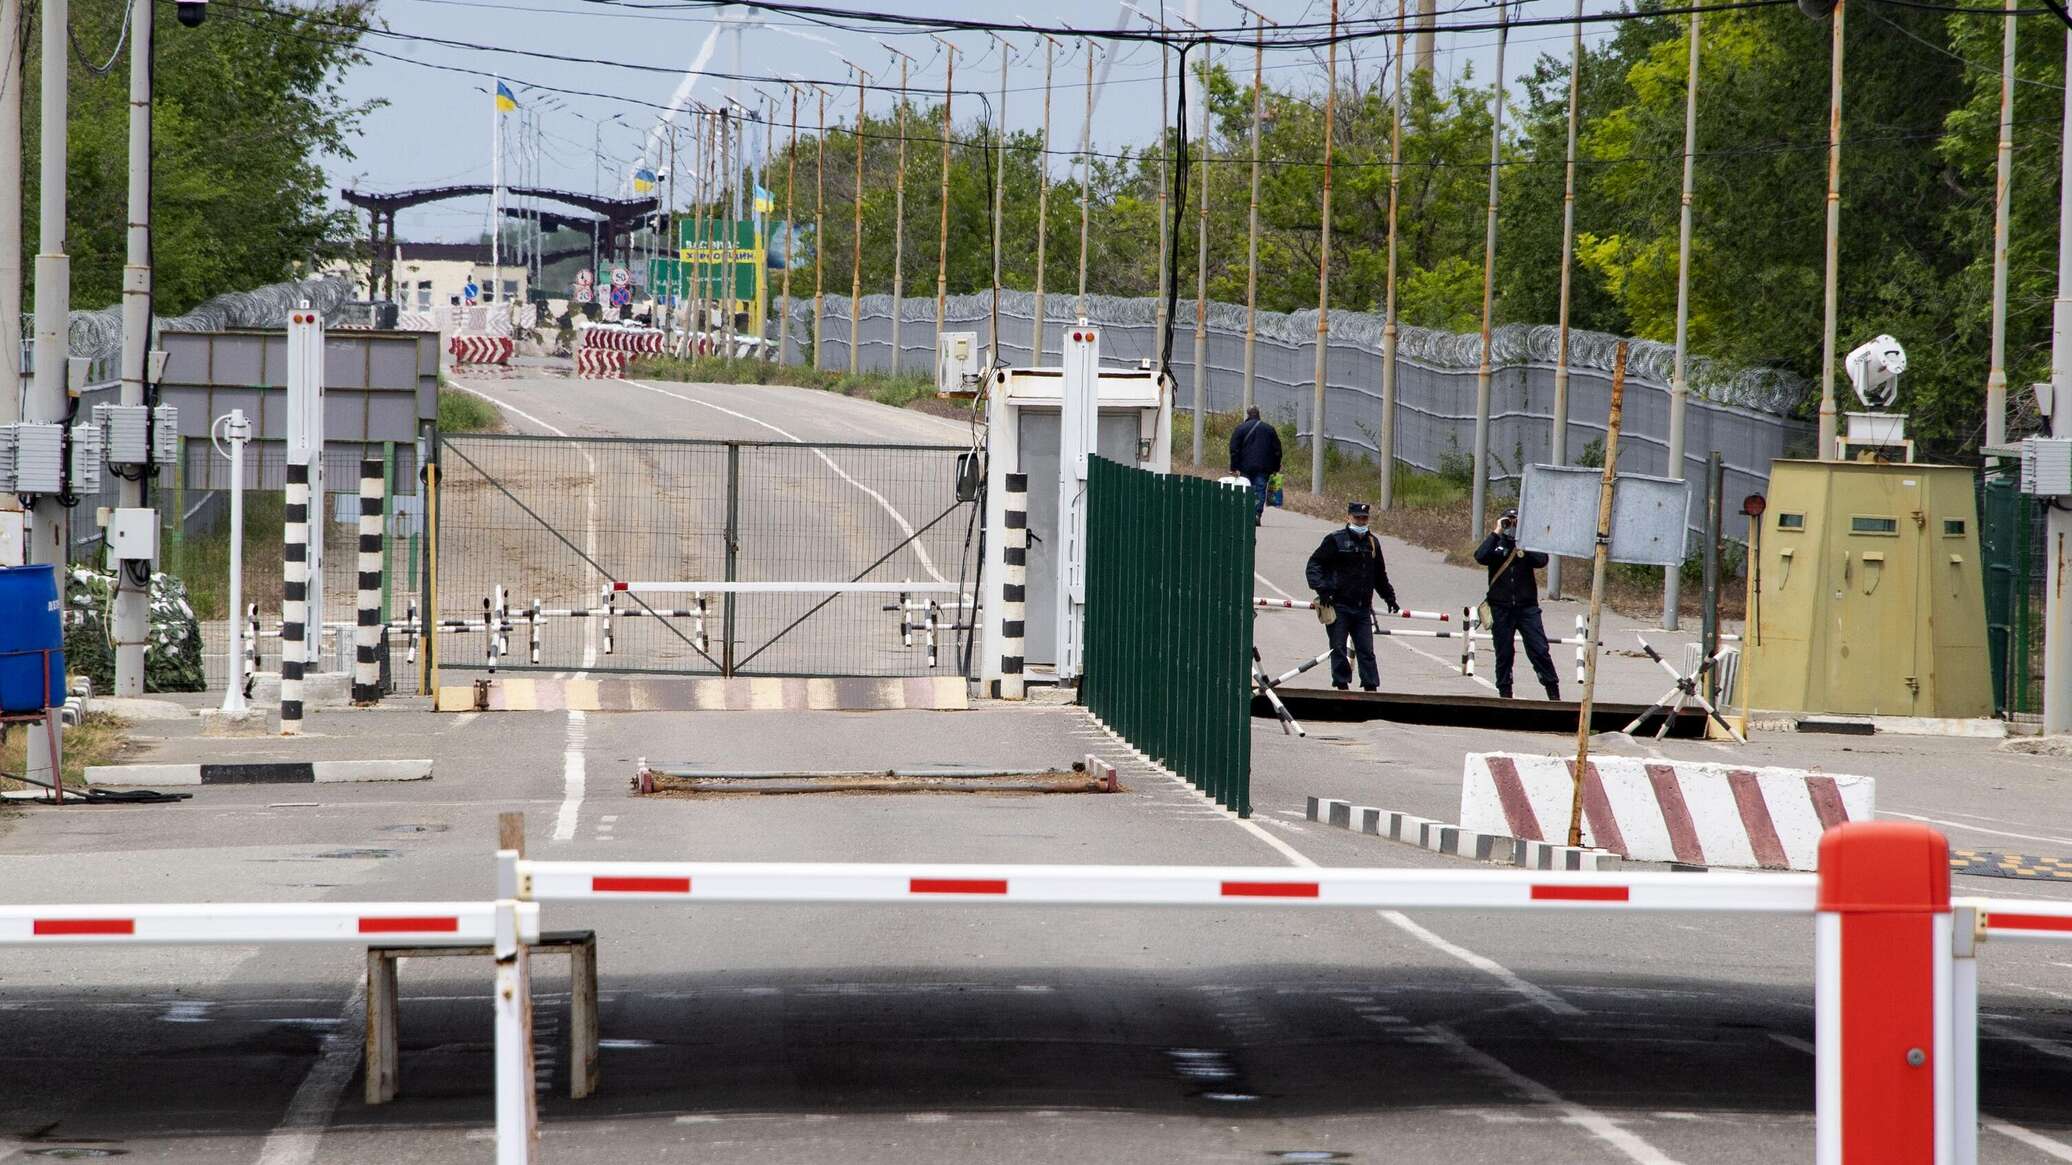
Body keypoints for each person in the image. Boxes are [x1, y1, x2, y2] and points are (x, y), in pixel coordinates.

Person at [1305, 501, 1400, 691]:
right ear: (1348, 517)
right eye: (1357, 518)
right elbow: (1314, 565)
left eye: (1364, 518)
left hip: (1363, 607)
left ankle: (1370, 686)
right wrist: (1322, 589)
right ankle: (1341, 684)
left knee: (1366, 650)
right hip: (1338, 604)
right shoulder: (1334, 540)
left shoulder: (1373, 542)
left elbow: (1379, 574)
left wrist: (1389, 597)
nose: (1361, 521)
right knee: (1338, 647)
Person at [1473, 508, 1561, 701]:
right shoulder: (1497, 544)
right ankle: (1505, 693)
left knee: (1539, 649)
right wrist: (1497, 531)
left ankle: (1553, 691)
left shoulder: (1527, 545)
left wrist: (1525, 538)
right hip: (1500, 607)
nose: (1511, 526)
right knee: (1504, 653)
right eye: (1508, 522)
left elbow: (1541, 560)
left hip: (1526, 607)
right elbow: (1480, 556)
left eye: (1516, 522)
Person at [1227, 406, 1283, 526]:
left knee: (1246, 489)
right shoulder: (1269, 429)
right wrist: (1276, 467)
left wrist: (1233, 467)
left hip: (1244, 467)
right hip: (1264, 467)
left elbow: (1234, 449)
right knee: (1259, 489)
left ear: (1248, 414)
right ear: (1259, 414)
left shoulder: (1240, 428)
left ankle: (1246, 514)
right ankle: (1256, 514)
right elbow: (1277, 451)